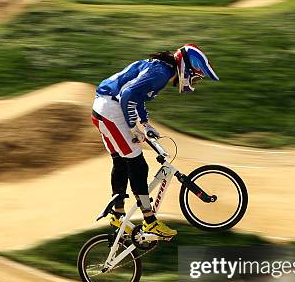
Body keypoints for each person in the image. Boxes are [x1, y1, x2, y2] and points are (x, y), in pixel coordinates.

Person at [92, 44, 219, 238]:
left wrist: (145, 123)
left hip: (102, 108)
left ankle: (117, 214)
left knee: (121, 160)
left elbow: (137, 96)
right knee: (137, 163)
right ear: (187, 66)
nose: (193, 81)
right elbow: (127, 96)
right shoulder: (161, 73)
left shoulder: (160, 68)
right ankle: (149, 221)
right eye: (195, 76)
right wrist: (134, 128)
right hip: (111, 110)